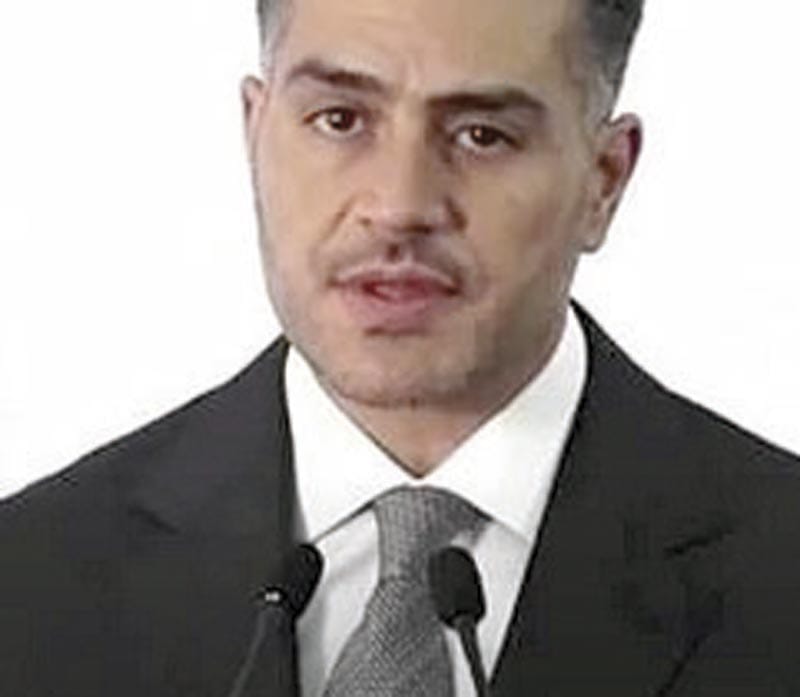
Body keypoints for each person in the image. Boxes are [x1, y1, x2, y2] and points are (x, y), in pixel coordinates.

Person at [2, 0, 800, 695]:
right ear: (255, 132)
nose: (399, 205)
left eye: (483, 135)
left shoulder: (777, 567)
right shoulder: (32, 580)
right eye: (340, 120)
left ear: (604, 180)